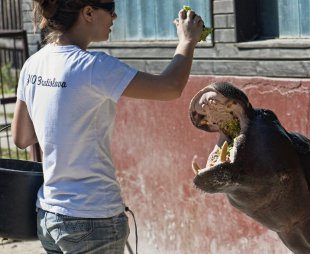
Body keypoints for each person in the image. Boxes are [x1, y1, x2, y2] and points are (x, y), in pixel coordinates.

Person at [11, 0, 203, 253]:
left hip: (49, 214)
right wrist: (187, 41)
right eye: (110, 8)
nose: (115, 16)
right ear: (88, 12)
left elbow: (21, 138)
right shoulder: (93, 66)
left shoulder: (33, 64)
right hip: (92, 216)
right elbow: (170, 87)